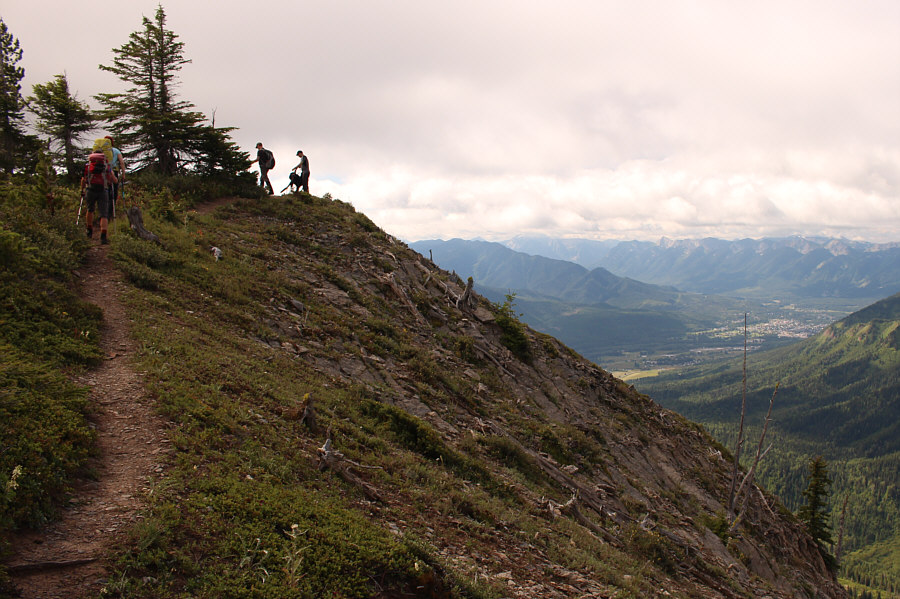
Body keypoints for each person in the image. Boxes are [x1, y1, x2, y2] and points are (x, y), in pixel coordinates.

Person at [80, 151, 118, 245]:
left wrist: (82, 190)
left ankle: (89, 231)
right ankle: (103, 236)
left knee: (90, 210)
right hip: (103, 191)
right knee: (104, 214)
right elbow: (115, 180)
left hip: (90, 190)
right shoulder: (107, 166)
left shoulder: (88, 166)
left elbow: (83, 179)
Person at [105, 135, 125, 214]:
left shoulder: (101, 151)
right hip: (114, 172)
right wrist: (123, 173)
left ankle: (104, 211)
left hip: (104, 172)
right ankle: (111, 211)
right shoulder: (116, 151)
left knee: (106, 190)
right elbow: (121, 162)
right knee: (114, 191)